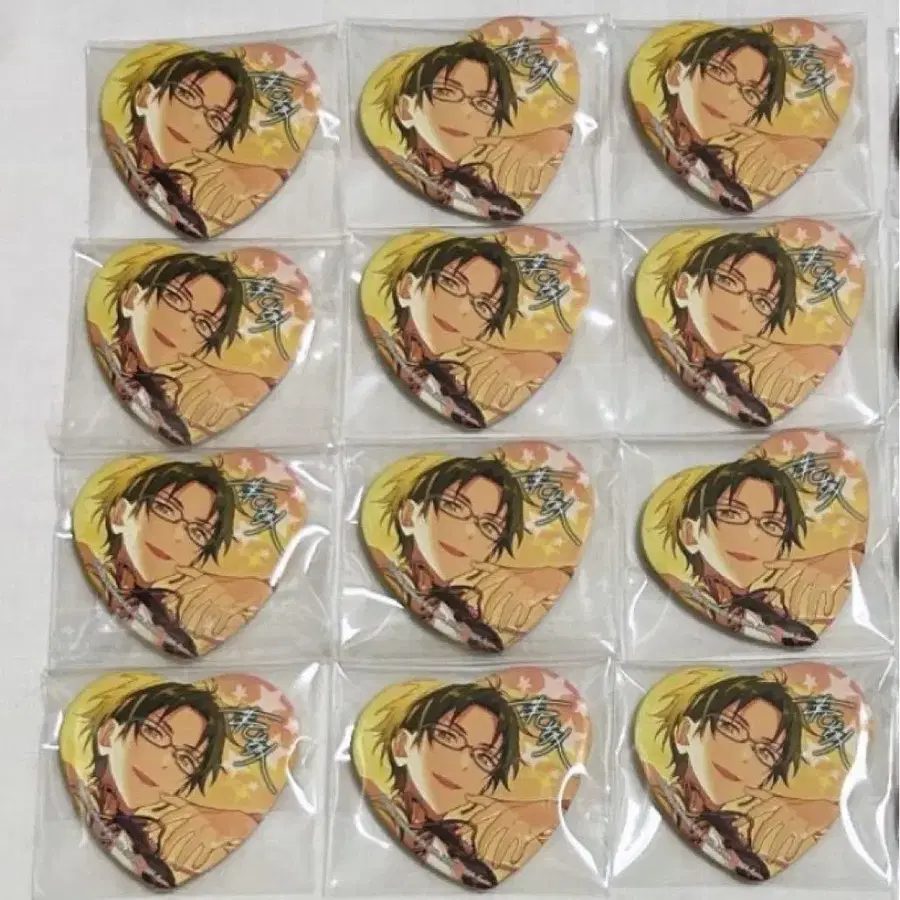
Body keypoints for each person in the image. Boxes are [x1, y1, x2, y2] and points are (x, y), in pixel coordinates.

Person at [65, 680, 257, 888]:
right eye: (154, 732)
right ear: (107, 735)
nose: (164, 763)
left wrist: (238, 823)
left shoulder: (171, 842)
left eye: (186, 759)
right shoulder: (75, 790)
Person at [647, 674, 839, 881]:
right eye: (731, 727)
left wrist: (824, 811)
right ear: (685, 734)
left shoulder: (752, 845)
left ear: (765, 779)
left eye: (766, 752)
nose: (744, 756)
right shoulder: (656, 789)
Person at [373, 456, 571, 650]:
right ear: (409, 516)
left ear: (491, 554)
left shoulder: (487, 610)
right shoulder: (386, 574)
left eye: (489, 526)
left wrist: (556, 578)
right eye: (454, 506)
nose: (469, 532)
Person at [78, 461, 269, 657]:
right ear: (120, 515)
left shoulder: (178, 624)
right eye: (165, 509)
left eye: (198, 532)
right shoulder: (86, 571)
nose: (178, 536)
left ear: (196, 559)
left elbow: (256, 590)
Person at [648, 231, 839, 424]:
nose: (741, 308)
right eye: (728, 280)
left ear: (764, 328)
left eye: (762, 302)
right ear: (683, 288)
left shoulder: (747, 393)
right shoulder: (658, 344)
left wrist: (824, 356)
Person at [370, 235, 559, 428]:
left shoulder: (464, 393)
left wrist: (540, 362)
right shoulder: (377, 342)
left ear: (483, 332)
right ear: (407, 288)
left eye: (484, 306)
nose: (463, 310)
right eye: (451, 282)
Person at [372, 40, 572, 219]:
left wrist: (556, 138)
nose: (466, 111)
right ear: (406, 110)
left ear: (491, 128)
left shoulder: (495, 198)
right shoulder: (393, 168)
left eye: (484, 103)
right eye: (446, 91)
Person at [657, 457, 846, 646]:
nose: (753, 534)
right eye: (731, 513)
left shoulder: (782, 621)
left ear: (781, 550)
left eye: (771, 524)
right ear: (690, 534)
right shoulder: (673, 596)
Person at [634, 26, 826, 211]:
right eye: (719, 71)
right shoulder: (650, 126)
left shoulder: (740, 168)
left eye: (751, 93)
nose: (731, 96)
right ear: (676, 76)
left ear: (751, 118)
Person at [92, 249, 272, 444]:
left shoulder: (190, 398)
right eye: (175, 297)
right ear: (131, 299)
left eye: (204, 324)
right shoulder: (98, 352)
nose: (183, 325)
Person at [106, 49, 286, 237]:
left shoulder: (191, 203)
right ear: (144, 97)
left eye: (216, 119)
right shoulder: (114, 155)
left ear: (213, 144)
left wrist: (266, 179)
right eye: (187, 94)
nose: (196, 121)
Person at [366, 682, 522, 888]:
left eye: (484, 758)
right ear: (402, 746)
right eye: (448, 736)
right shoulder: (376, 815)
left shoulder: (472, 862)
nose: (463, 764)